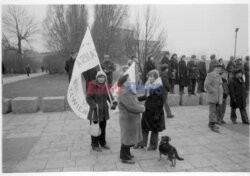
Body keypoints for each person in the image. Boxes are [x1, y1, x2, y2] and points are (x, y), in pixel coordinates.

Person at [117, 74, 145, 164]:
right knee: (127, 138)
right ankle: (124, 157)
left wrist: (139, 104)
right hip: (128, 119)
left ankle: (127, 153)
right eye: (128, 81)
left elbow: (134, 101)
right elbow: (131, 106)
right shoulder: (124, 92)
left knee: (129, 138)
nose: (130, 82)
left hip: (130, 118)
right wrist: (142, 108)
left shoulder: (127, 90)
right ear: (123, 83)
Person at [86, 71, 117, 152]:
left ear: (105, 78)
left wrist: (113, 103)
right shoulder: (92, 85)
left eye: (103, 77)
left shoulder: (105, 86)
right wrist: (94, 106)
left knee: (103, 127)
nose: (101, 78)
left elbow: (110, 96)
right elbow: (88, 98)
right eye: (99, 77)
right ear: (97, 78)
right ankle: (94, 144)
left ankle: (102, 143)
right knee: (95, 128)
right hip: (95, 112)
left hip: (103, 111)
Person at [136, 69, 166, 150]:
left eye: (152, 76)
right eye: (149, 76)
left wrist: (157, 114)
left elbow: (161, 102)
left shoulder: (159, 87)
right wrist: (138, 99)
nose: (150, 78)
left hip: (155, 111)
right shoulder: (149, 85)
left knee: (154, 129)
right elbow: (147, 96)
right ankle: (142, 143)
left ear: (156, 77)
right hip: (147, 110)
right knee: (144, 127)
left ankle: (153, 145)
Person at [204, 63, 224, 133]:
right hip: (212, 96)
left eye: (219, 68)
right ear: (214, 68)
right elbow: (206, 84)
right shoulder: (210, 75)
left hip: (217, 97)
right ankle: (212, 125)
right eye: (217, 68)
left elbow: (220, 85)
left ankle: (211, 123)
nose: (218, 69)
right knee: (212, 111)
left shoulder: (219, 76)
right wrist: (213, 91)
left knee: (215, 111)